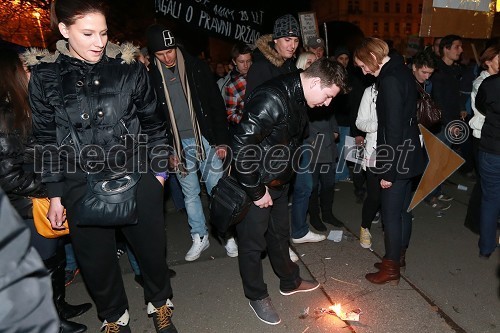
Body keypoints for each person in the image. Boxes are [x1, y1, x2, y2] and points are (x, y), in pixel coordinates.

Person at [27, 1, 177, 331]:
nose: (99, 42)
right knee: (96, 263)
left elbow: (154, 123)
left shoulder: (128, 68)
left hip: (138, 177)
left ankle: (159, 305)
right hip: (79, 183)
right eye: (88, 33)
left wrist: (159, 175)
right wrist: (54, 194)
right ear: (65, 31)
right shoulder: (45, 77)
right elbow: (44, 139)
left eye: (104, 32)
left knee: (151, 254)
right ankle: (114, 318)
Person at [231, 58, 349, 325]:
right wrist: (255, 190)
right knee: (252, 244)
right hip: (257, 183)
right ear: (316, 82)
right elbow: (241, 145)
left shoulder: (300, 94)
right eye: (328, 96)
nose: (328, 104)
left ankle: (290, 280)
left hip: (278, 181)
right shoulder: (272, 98)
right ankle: (257, 295)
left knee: (279, 234)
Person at [1, 46, 91, 332]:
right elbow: (9, 176)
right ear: (12, 74)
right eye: (28, 69)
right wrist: (53, 190)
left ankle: (59, 306)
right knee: (41, 263)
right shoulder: (5, 115)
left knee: (53, 258)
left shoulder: (25, 106)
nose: (34, 73)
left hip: (38, 198)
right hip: (25, 206)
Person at [146, 25, 236, 260]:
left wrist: (222, 142)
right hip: (178, 144)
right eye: (161, 54)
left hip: (205, 138)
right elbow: (153, 119)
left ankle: (226, 235)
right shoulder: (150, 76)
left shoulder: (196, 67)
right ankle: (200, 236)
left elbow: (216, 105)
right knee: (190, 194)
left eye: (170, 51)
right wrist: (166, 150)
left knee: (217, 190)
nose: (167, 57)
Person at [354, 38, 424, 285]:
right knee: (403, 211)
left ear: (373, 57)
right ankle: (398, 256)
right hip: (409, 153)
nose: (363, 71)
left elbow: (391, 130)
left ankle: (391, 267)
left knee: (391, 215)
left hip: (397, 157)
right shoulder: (400, 69)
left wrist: (388, 171)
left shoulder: (390, 79)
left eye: (363, 65)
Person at [0, 187, 60, 333]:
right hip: (23, 202)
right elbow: (11, 175)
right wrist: (49, 187)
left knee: (51, 260)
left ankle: (58, 312)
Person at [289, 51, 330, 241]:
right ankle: (281, 237)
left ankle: (299, 230)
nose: (313, 65)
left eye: (316, 62)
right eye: (310, 62)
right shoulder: (294, 86)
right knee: (282, 191)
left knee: (305, 186)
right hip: (289, 144)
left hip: (304, 143)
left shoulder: (317, 88)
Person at [465, 45, 500, 235]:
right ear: (488, 61)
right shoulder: (481, 82)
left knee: (486, 183)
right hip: (483, 137)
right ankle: (476, 222)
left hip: (491, 137)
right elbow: (484, 110)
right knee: (485, 184)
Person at [411, 50, 452, 212]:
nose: (427, 76)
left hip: (423, 131)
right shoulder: (404, 82)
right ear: (414, 67)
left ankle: (422, 196)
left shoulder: (428, 83)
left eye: (430, 73)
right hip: (406, 133)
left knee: (420, 166)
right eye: (424, 72)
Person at [473, 62, 500, 259]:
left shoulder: (490, 83)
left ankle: (486, 247)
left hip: (491, 149)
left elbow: (481, 106)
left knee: (490, 199)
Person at [245, 13, 300, 96]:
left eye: (296, 41)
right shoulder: (260, 67)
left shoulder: (291, 66)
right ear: (275, 40)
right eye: (287, 40)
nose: (292, 46)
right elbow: (254, 105)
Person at [355, 83, 379, 249]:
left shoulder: (404, 87)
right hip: (374, 151)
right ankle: (365, 226)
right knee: (375, 195)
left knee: (392, 198)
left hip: (399, 150)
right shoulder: (369, 92)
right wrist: (378, 125)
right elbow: (360, 122)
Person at [224, 42, 253, 128]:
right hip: (247, 128)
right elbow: (230, 114)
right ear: (234, 61)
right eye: (241, 61)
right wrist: (248, 119)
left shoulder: (259, 74)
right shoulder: (231, 86)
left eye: (248, 61)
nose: (245, 65)